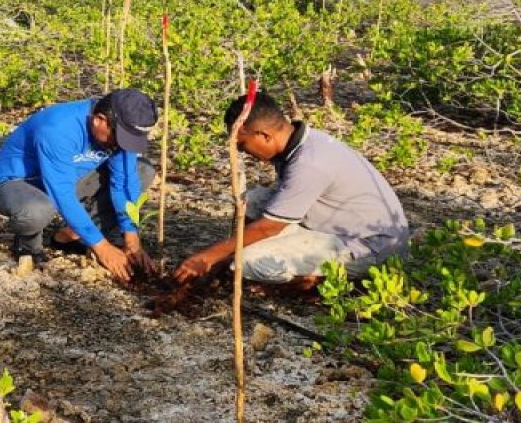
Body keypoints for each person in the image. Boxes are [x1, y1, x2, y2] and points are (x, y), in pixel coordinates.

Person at [173, 91, 409, 289]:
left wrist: (209, 256)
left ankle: (314, 282)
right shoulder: (299, 143)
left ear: (264, 135)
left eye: (242, 145)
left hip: (371, 248)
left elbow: (270, 227)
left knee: (250, 262)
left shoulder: (309, 163)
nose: (242, 152)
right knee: (253, 200)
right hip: (340, 226)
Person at [0, 89, 159, 283]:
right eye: (120, 139)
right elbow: (62, 193)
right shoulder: (57, 128)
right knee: (37, 209)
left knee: (142, 172)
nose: (122, 146)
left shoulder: (120, 130)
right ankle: (27, 245)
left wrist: (132, 242)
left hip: (67, 177)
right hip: (17, 182)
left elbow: (123, 183)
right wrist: (102, 248)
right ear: (99, 120)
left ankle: (72, 236)